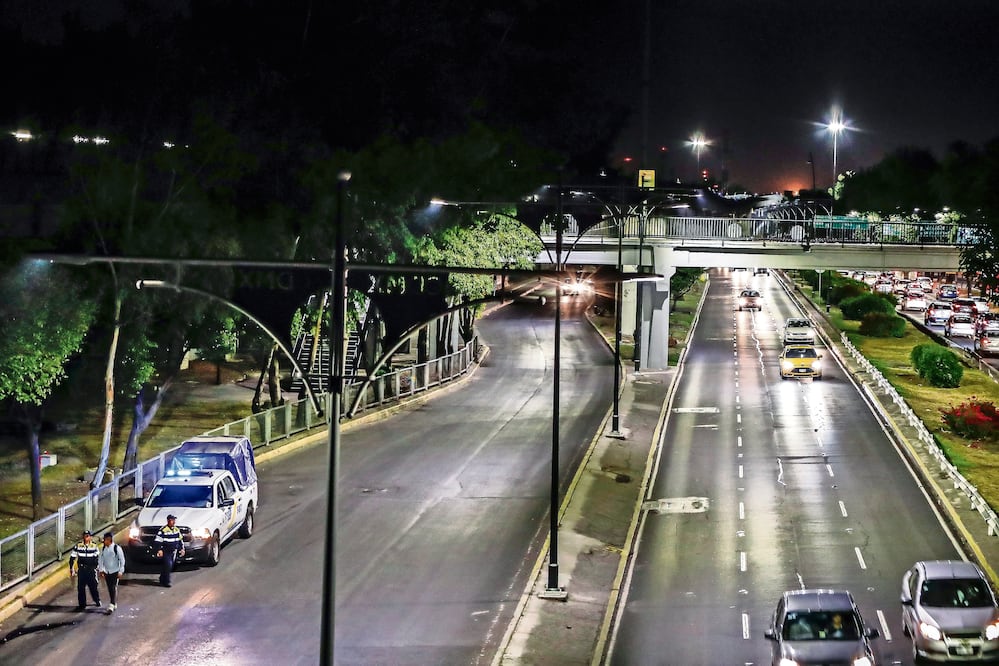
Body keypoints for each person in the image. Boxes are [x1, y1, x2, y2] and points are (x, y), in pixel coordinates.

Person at [69, 530, 101, 611]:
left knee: (93, 586)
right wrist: (71, 568)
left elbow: (97, 558)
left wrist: (97, 567)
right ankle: (82, 604)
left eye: (88, 536)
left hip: (91, 569)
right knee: (81, 587)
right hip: (82, 570)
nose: (86, 537)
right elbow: (72, 557)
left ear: (90, 537)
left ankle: (97, 600)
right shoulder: (78, 546)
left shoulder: (94, 546)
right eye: (85, 536)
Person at [97, 532, 126, 613]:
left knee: (112, 587)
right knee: (110, 587)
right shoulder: (103, 549)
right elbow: (100, 560)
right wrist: (101, 570)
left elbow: (122, 560)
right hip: (107, 571)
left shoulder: (117, 548)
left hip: (115, 571)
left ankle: (112, 604)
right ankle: (114, 602)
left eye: (105, 540)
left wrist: (121, 571)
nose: (103, 541)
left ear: (109, 540)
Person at [154, 514, 185, 587]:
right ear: (168, 521)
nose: (174, 522)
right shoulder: (163, 530)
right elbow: (158, 541)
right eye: (172, 520)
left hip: (173, 552)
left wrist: (182, 549)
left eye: (174, 520)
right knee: (168, 565)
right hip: (166, 551)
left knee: (168, 566)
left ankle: (162, 578)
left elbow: (180, 540)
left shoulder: (176, 530)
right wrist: (159, 550)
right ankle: (167, 581)